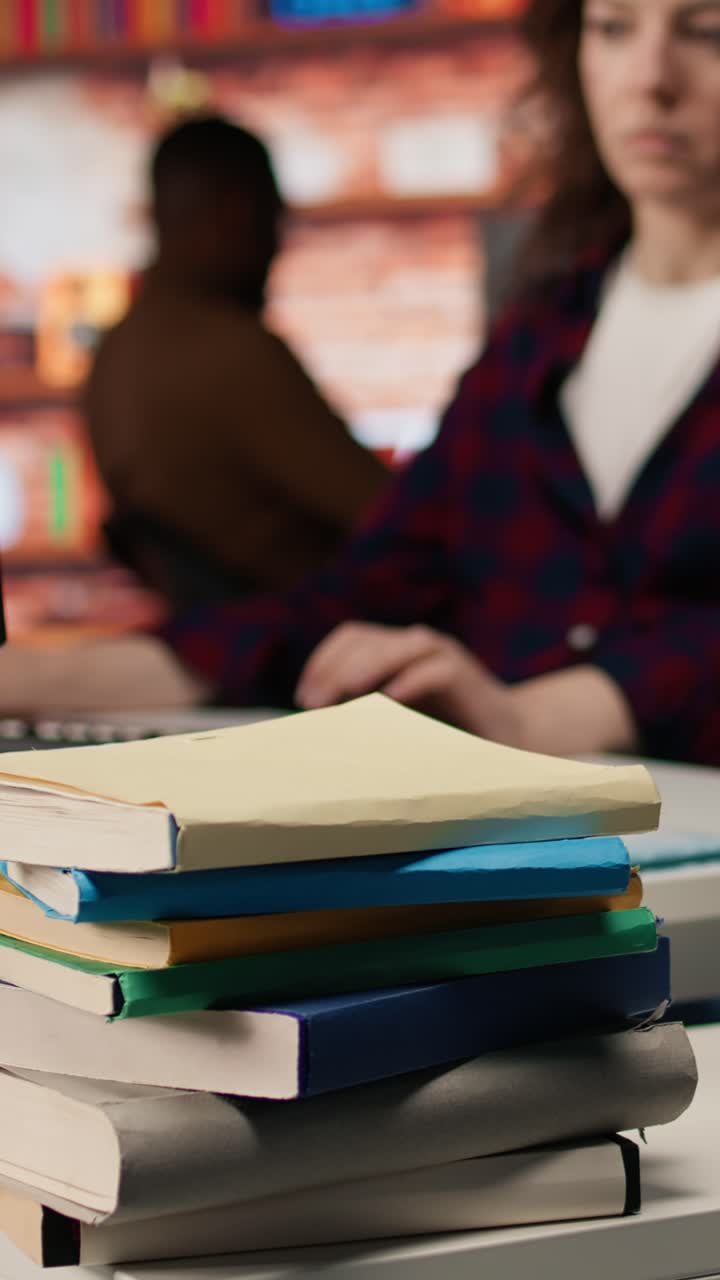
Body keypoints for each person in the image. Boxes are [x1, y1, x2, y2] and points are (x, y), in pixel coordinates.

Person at [2, 0, 720, 765]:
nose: (650, 79)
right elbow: (367, 583)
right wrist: (47, 673)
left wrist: (542, 716)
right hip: (504, 835)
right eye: (612, 27)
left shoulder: (176, 352)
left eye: (707, 30)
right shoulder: (536, 339)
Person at [85, 115, 387, 601]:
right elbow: (390, 515)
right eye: (273, 218)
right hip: (311, 644)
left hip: (228, 650)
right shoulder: (230, 353)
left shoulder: (115, 355)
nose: (277, 246)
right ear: (236, 211)